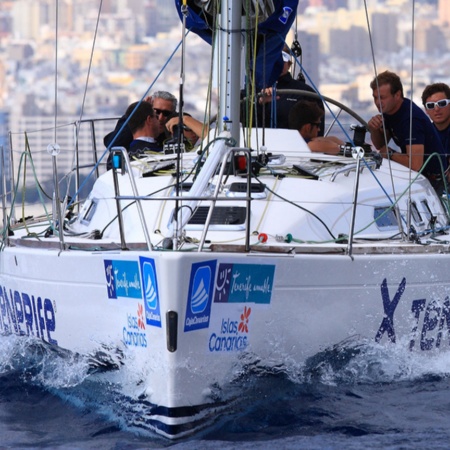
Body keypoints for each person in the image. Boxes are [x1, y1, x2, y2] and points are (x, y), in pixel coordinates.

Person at [368, 70, 448, 194]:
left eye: (382, 97)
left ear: (397, 95)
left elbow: (415, 164)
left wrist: (390, 153)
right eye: (375, 97)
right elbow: (380, 145)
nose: (378, 102)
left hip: (435, 183)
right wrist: (373, 129)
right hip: (418, 177)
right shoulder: (390, 111)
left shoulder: (411, 119)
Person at [257, 47, 324, 131]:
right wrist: (259, 103)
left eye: (282, 60)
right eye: (274, 60)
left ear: (289, 64)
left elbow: (317, 130)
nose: (278, 64)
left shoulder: (306, 93)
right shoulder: (254, 92)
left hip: (295, 143)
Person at [103, 91, 177, 150]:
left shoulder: (174, 130)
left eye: (166, 113)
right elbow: (113, 144)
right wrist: (138, 113)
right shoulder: (131, 130)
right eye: (156, 112)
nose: (160, 118)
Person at [107, 101, 162, 169]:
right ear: (149, 119)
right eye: (156, 117)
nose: (160, 120)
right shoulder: (159, 153)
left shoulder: (119, 156)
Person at [421, 83, 450, 158]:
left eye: (442, 103)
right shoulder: (424, 135)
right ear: (426, 110)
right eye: (430, 105)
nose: (436, 109)